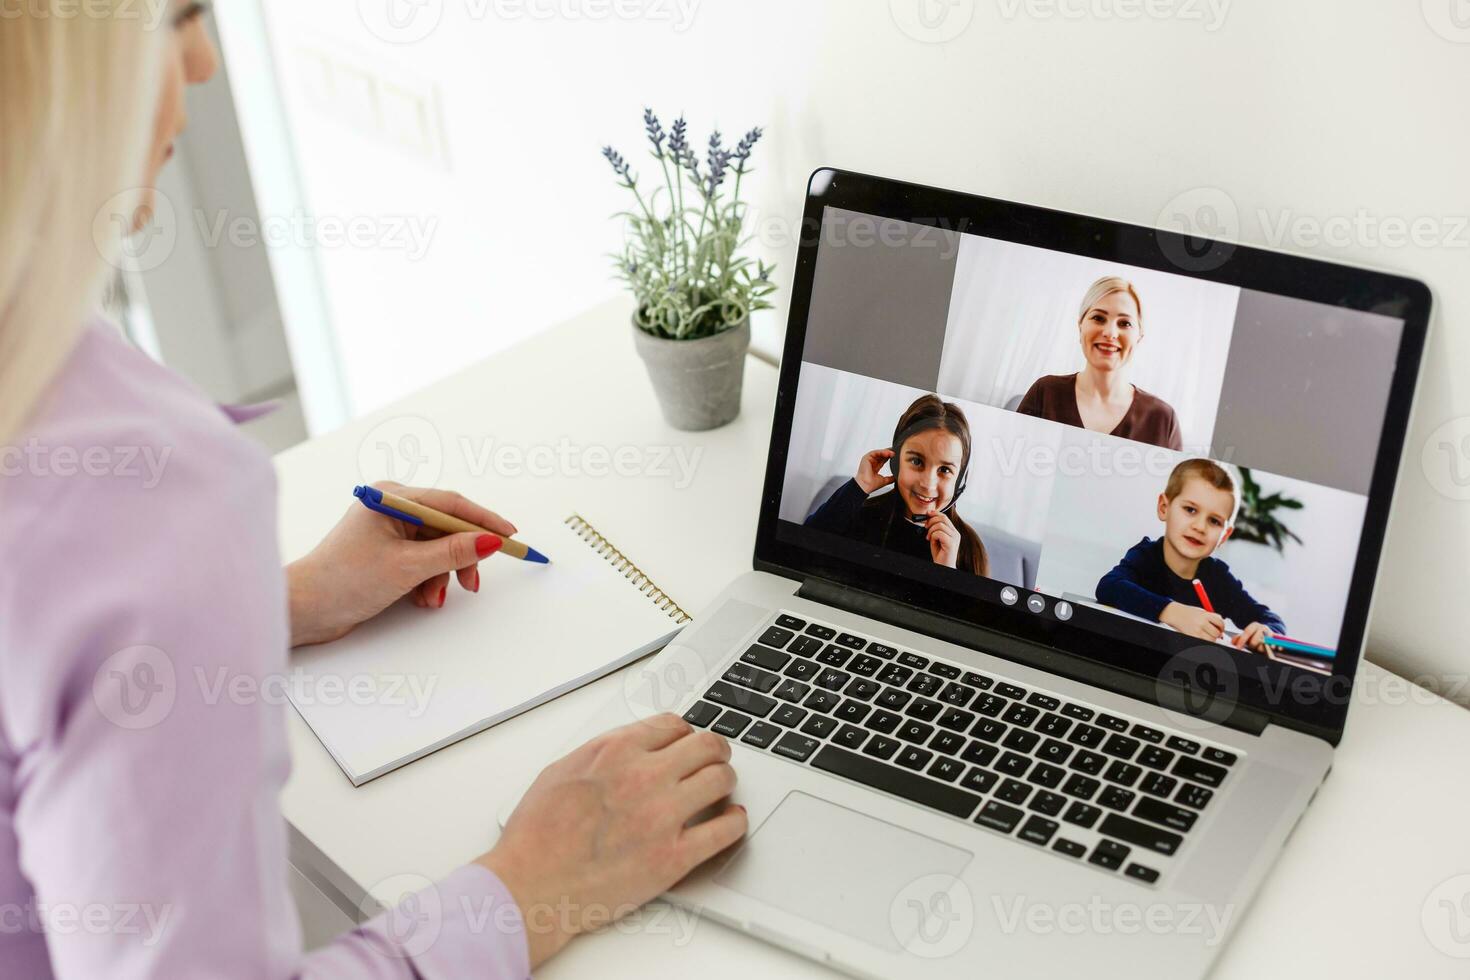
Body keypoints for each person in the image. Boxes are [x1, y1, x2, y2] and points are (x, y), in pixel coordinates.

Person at [0, 5, 745, 977]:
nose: (205, 59)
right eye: (177, 14)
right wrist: (533, 879)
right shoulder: (148, 496)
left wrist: (282, 599)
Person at [1095, 458, 1285, 651]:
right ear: (1164, 508)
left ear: (1224, 536)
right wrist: (1174, 613)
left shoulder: (1218, 578)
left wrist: (1266, 632)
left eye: (1214, 521)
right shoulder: (1147, 556)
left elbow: (1272, 621)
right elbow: (1108, 586)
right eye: (1190, 510)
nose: (1200, 527)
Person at [805, 394, 990, 575]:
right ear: (895, 462)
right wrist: (858, 486)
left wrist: (947, 572)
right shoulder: (857, 515)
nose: (928, 484)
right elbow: (800, 550)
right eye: (917, 462)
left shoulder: (969, 549)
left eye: (944, 470)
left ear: (959, 480)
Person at [1015, 275, 1183, 450]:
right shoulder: (1045, 392)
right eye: (1098, 318)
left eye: (1124, 323)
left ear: (1139, 337)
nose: (1110, 333)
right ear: (1080, 326)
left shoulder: (1163, 418)